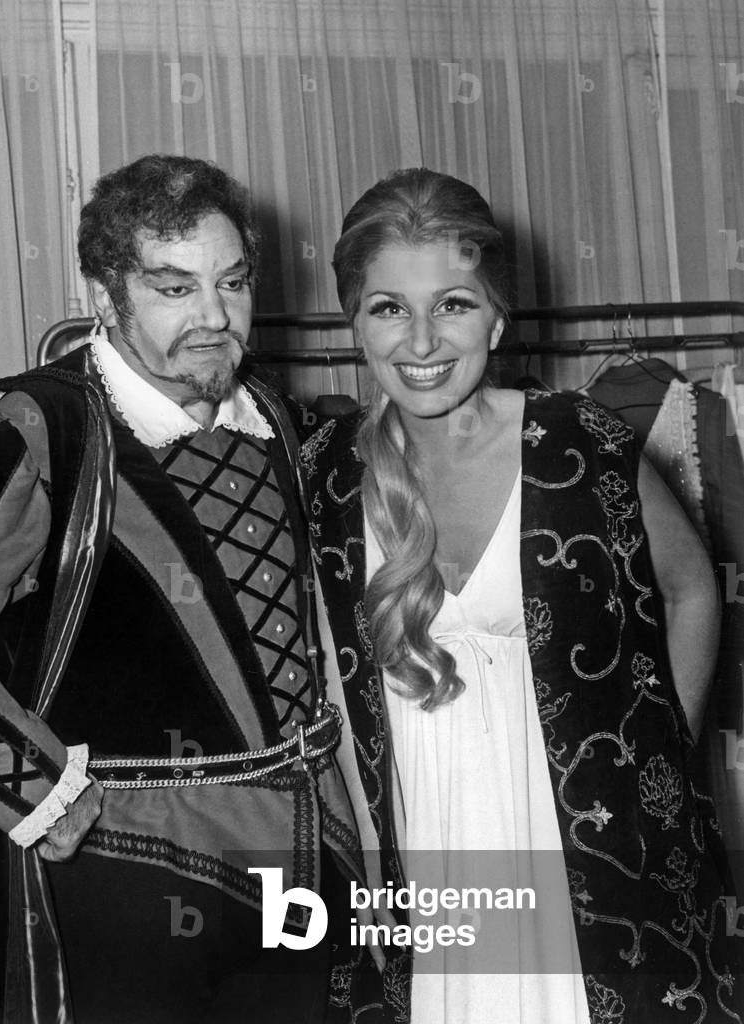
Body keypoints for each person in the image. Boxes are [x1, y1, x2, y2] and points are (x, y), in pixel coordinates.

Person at [0, 154, 372, 1024]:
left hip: (307, 857)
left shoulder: (284, 426)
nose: (215, 318)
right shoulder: (35, 435)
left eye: (232, 283)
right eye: (173, 288)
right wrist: (34, 788)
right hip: (122, 867)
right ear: (105, 296)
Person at [303, 168, 743, 1023]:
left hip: (581, 847)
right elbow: (329, 677)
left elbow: (692, 591)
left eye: (454, 304)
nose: (421, 340)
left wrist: (656, 767)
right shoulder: (324, 472)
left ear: (497, 316)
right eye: (388, 307)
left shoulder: (578, 442)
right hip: (421, 845)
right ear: (354, 323)